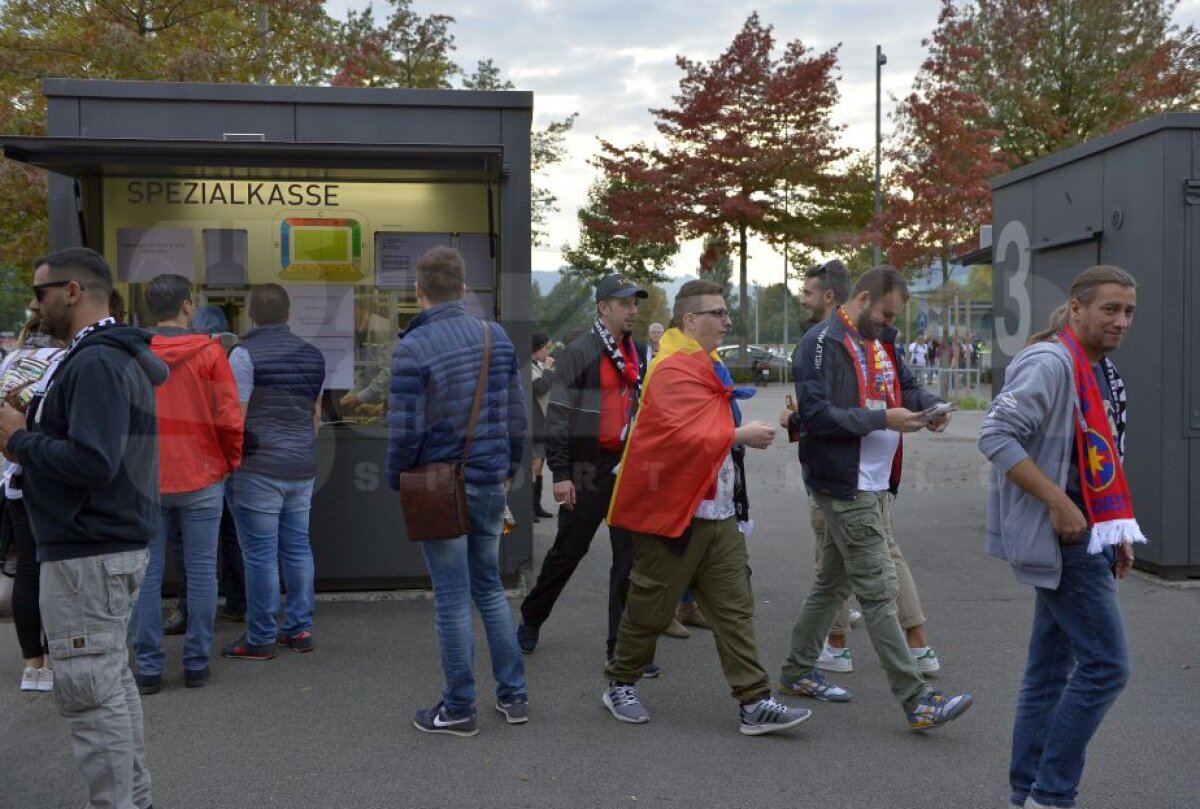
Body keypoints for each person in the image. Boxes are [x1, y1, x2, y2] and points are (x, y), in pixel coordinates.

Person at [601, 279, 811, 736]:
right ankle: (620, 682)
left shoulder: (707, 363)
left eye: (727, 313)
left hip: (719, 511)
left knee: (736, 611)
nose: (728, 321)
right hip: (673, 514)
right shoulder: (670, 368)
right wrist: (738, 435)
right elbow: (673, 437)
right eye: (719, 313)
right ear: (690, 320)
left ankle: (754, 701)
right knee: (650, 610)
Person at [0, 246, 166, 809]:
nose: (33, 305)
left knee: (91, 694)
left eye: (40, 293)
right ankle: (131, 800)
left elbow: (94, 461)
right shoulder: (104, 356)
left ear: (72, 292)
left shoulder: (95, 362)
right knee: (108, 684)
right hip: (99, 546)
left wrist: (19, 439)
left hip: (86, 553)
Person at [779, 267, 973, 731]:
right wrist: (884, 419)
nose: (891, 324)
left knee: (832, 585)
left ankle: (797, 670)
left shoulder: (880, 340)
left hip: (875, 483)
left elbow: (906, 387)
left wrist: (930, 407)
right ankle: (917, 700)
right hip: (847, 485)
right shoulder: (820, 343)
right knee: (879, 590)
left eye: (895, 317)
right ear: (862, 299)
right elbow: (817, 418)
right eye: (886, 314)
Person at [979, 265, 1143, 809]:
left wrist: (1117, 530)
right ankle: (1051, 794)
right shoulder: (1051, 362)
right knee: (1106, 667)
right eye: (1110, 309)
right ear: (1076, 309)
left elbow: (1103, 460)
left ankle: (1028, 793)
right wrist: (1057, 501)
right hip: (1066, 538)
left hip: (1093, 534)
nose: (1121, 321)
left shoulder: (1103, 371)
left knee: (1050, 672)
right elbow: (996, 434)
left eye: (1129, 311)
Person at [387, 246, 528, 736]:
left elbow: (404, 431)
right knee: (489, 586)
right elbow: (516, 413)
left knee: (450, 597)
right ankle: (513, 695)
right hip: (489, 480)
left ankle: (459, 708)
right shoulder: (496, 336)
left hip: (437, 484)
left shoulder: (411, 348)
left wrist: (398, 479)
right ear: (464, 289)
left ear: (418, 291)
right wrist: (510, 465)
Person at [517, 273, 656, 675]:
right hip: (586, 467)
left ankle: (622, 648)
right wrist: (561, 472)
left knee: (628, 558)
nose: (633, 310)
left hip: (626, 466)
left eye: (635, 303)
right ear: (603, 307)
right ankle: (532, 617)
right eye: (625, 303)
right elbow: (558, 415)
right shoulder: (580, 352)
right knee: (568, 550)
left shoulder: (638, 351)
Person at [129, 274, 243, 694]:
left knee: (147, 576)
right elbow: (229, 416)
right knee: (201, 571)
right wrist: (230, 462)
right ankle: (196, 663)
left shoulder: (133, 354)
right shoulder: (211, 353)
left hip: (146, 479)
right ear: (186, 306)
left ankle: (148, 668)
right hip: (203, 474)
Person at [222, 283, 325, 660]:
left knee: (260, 554)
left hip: (258, 468)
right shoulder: (313, 355)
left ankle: (261, 636)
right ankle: (299, 629)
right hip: (302, 466)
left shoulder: (243, 354)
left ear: (250, 314)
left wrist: (228, 463)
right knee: (298, 547)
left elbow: (236, 417)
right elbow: (315, 418)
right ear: (288, 314)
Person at [0, 313, 65, 692]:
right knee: (58, 573)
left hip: (15, 480)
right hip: (52, 478)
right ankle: (57, 659)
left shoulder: (11, 360)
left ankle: (32, 666)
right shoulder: (64, 360)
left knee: (27, 571)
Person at [530, 331, 555, 522]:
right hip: (535, 422)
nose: (548, 352)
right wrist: (547, 369)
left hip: (544, 421)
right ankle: (530, 507)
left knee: (540, 465)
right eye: (546, 348)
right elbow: (540, 388)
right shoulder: (529, 367)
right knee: (535, 465)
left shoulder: (537, 365)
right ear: (537, 348)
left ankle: (537, 505)